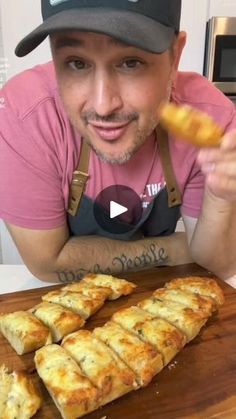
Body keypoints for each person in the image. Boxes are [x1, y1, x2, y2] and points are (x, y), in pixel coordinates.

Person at [0, 0, 236, 284]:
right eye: (77, 63)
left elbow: (215, 263)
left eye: (130, 62)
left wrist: (220, 198)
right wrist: (174, 249)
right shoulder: (22, 117)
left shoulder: (210, 119)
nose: (103, 106)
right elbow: (46, 264)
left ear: (175, 57)